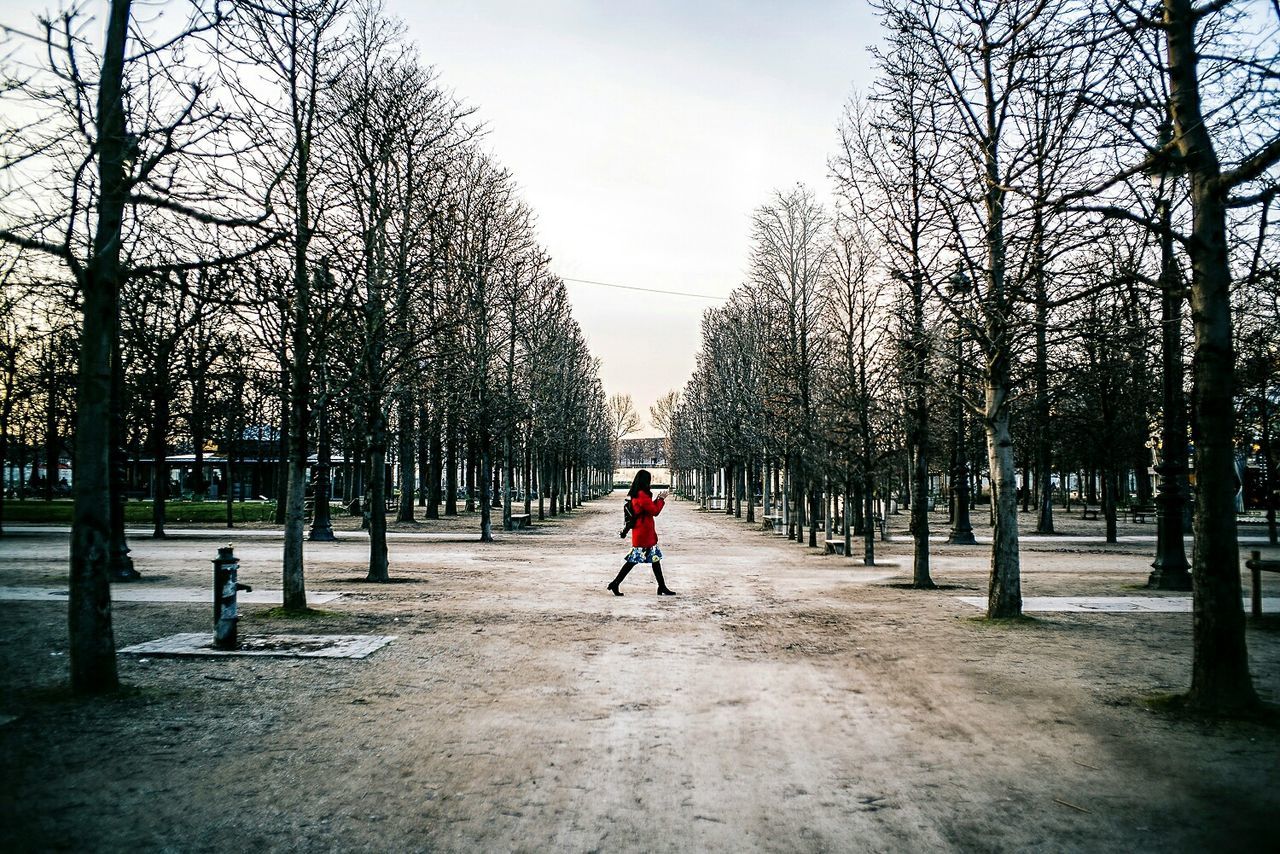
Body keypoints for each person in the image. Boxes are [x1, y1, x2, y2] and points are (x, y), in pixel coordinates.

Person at [608, 469, 675, 596]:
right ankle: (615, 583)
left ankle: (662, 586)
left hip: (643, 532)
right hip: (644, 533)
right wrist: (660, 500)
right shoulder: (642, 495)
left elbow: (649, 509)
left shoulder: (638, 494)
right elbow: (654, 511)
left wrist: (657, 500)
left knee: (655, 559)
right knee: (634, 561)